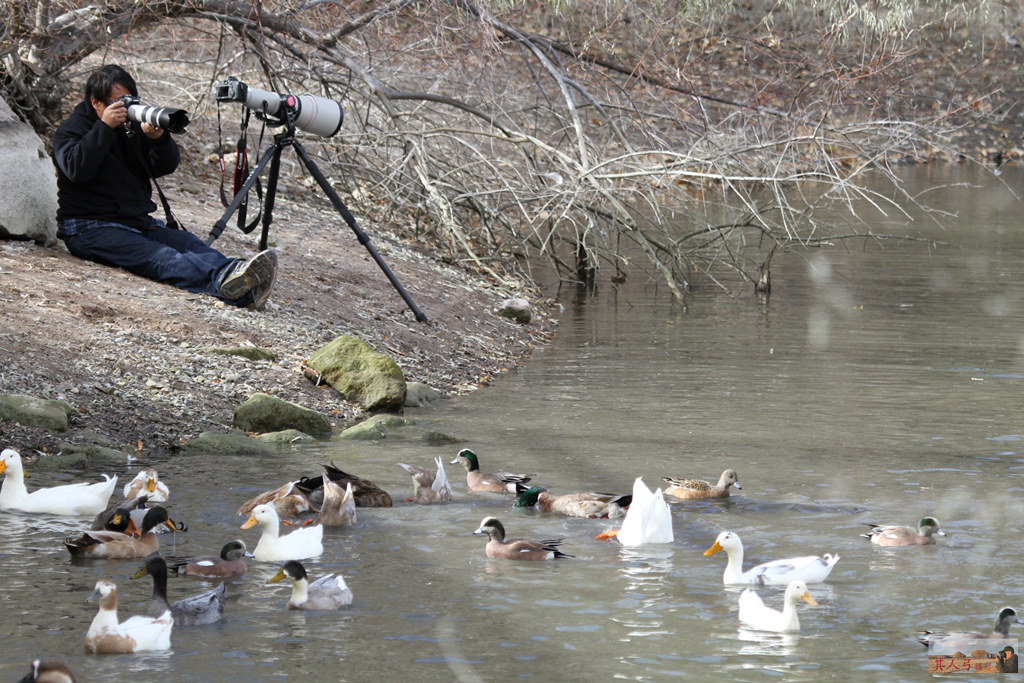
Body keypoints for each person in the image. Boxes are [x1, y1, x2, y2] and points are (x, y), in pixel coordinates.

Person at [52, 64, 277, 308]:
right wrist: (104, 128)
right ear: (97, 103)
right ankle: (226, 281)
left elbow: (165, 167)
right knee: (160, 257)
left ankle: (239, 278)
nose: (127, 108)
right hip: (88, 227)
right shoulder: (72, 129)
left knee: (189, 243)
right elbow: (76, 170)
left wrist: (157, 139)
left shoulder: (130, 126)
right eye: (120, 102)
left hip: (135, 222)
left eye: (131, 100)